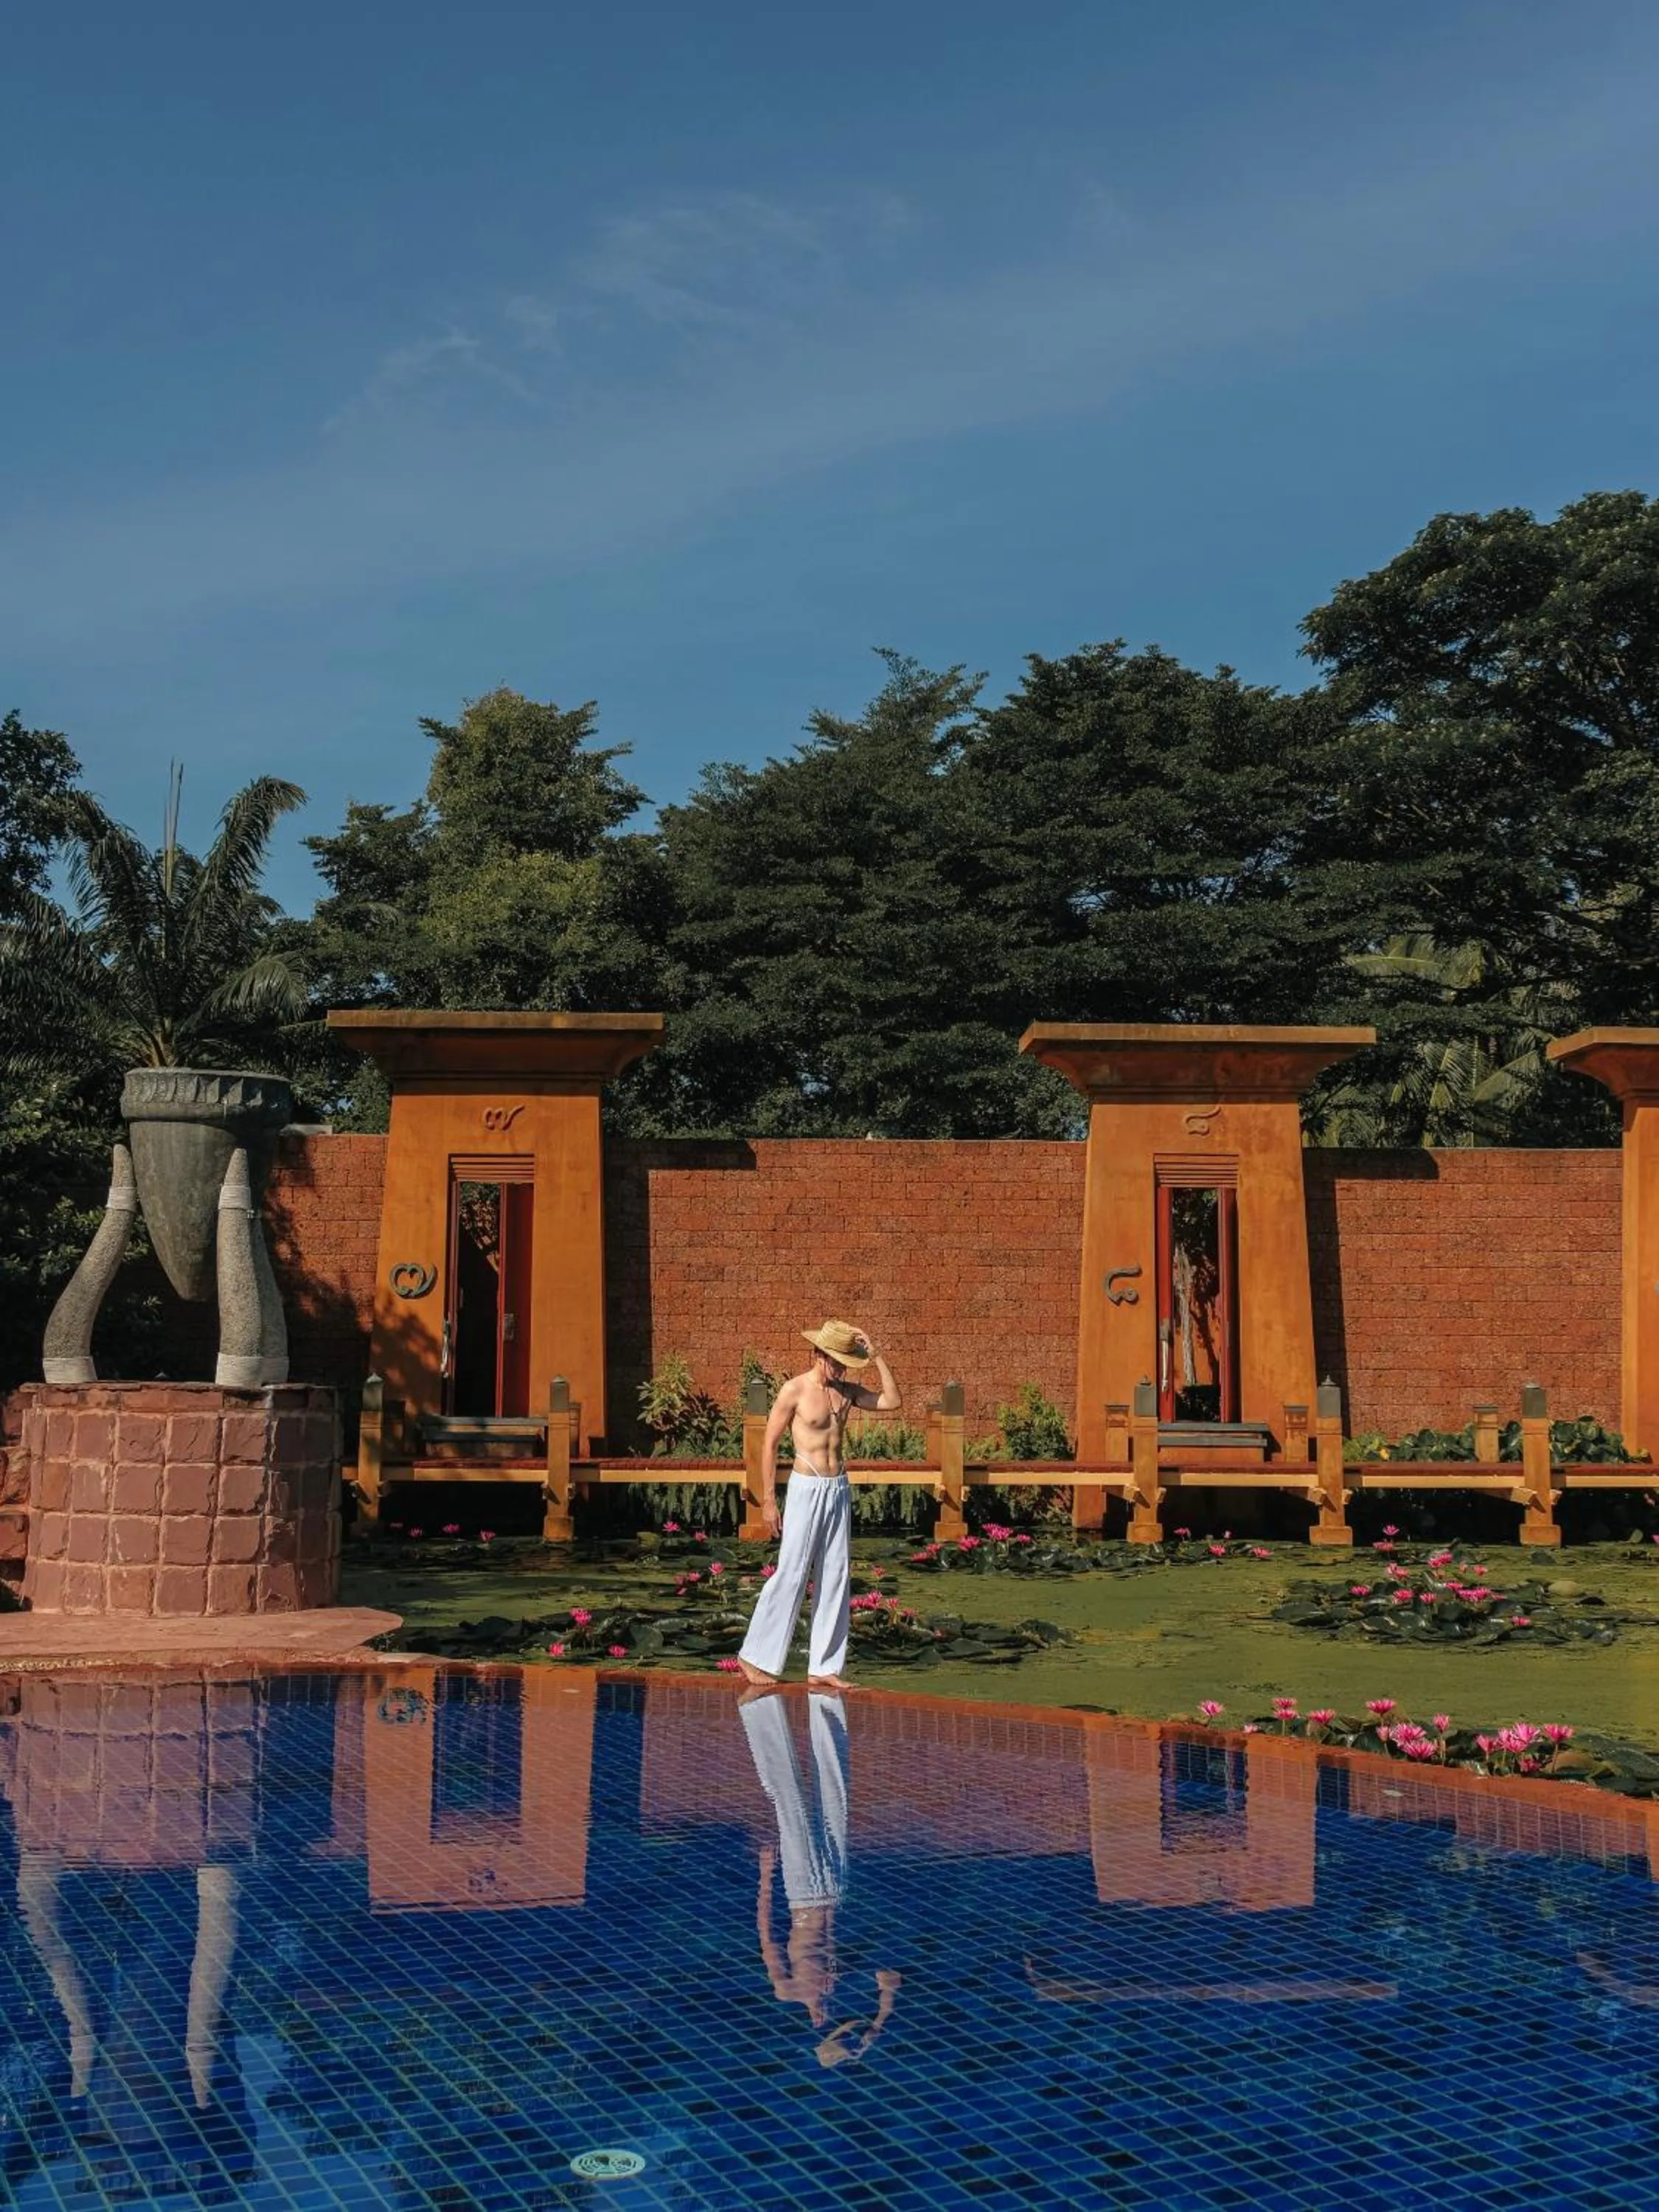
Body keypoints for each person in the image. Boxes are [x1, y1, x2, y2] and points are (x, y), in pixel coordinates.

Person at [740, 1688, 902, 2068]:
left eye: (835, 2032)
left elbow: (765, 1932)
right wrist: (875, 2026)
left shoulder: (788, 1990)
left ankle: (760, 1714)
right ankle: (826, 1704)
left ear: (814, 2024)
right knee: (835, 1795)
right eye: (844, 2032)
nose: (837, 2024)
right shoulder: (843, 1986)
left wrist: (766, 1875)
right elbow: (891, 1977)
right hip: (836, 1887)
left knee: (792, 1802)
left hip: (801, 1892)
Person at [736, 1319, 901, 1692]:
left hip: (838, 1487)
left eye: (846, 1362)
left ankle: (824, 1666)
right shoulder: (794, 1390)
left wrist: (876, 1357)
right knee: (792, 1572)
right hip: (806, 1485)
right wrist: (768, 1501)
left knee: (837, 1575)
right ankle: (755, 1656)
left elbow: (893, 1401)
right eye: (837, 1361)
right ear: (819, 1354)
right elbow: (770, 1445)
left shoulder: (847, 1391)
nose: (841, 1368)